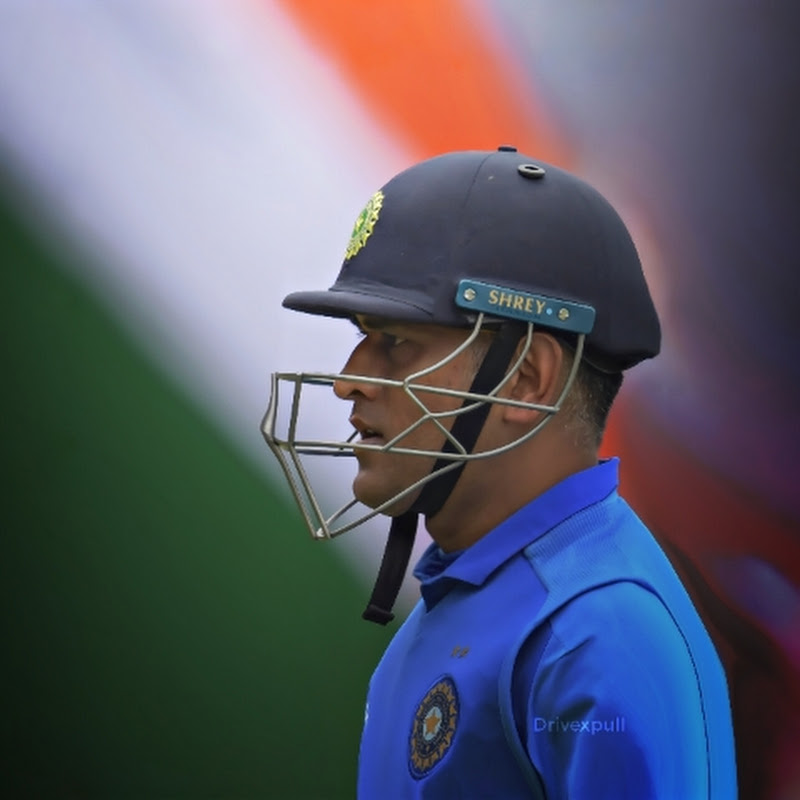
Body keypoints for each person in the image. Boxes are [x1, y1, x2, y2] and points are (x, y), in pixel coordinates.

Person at [261, 147, 737, 798]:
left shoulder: (600, 637)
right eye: (361, 335)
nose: (348, 381)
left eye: (396, 341)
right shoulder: (467, 602)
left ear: (524, 379)